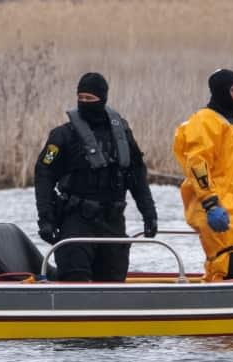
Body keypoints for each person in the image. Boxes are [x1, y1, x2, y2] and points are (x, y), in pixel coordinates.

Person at [34, 72, 157, 281]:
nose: (84, 103)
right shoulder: (63, 136)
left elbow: (136, 175)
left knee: (113, 281)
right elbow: (43, 175)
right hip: (77, 222)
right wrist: (45, 219)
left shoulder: (122, 134)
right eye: (80, 98)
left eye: (90, 99)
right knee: (75, 279)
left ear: (103, 99)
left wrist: (149, 214)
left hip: (113, 222)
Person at [173, 68, 233, 282]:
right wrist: (210, 203)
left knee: (230, 263)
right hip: (215, 208)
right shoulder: (206, 122)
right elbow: (198, 163)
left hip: (230, 210)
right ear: (221, 92)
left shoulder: (229, 121)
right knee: (226, 264)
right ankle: (219, 308)